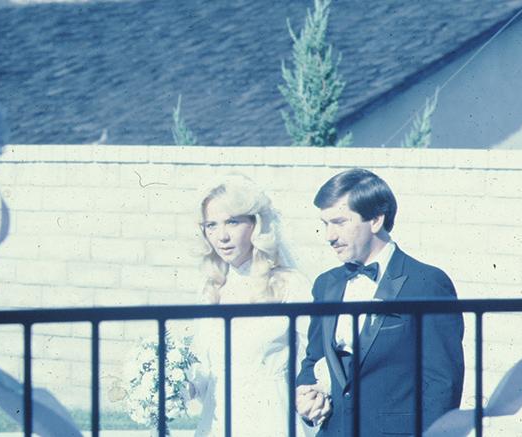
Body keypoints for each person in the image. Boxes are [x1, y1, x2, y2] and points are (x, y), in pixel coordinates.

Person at [296, 168, 464, 436]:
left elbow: (443, 384)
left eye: (339, 222)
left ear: (375, 220)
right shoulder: (326, 284)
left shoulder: (426, 283)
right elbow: (313, 359)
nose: (329, 236)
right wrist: (307, 397)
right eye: (325, 224)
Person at [187, 173, 315, 437]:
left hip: (271, 417)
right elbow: (202, 369)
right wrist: (175, 385)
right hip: (219, 419)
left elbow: (313, 357)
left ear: (256, 224)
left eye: (232, 222)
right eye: (211, 225)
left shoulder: (289, 284)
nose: (222, 236)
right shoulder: (211, 288)